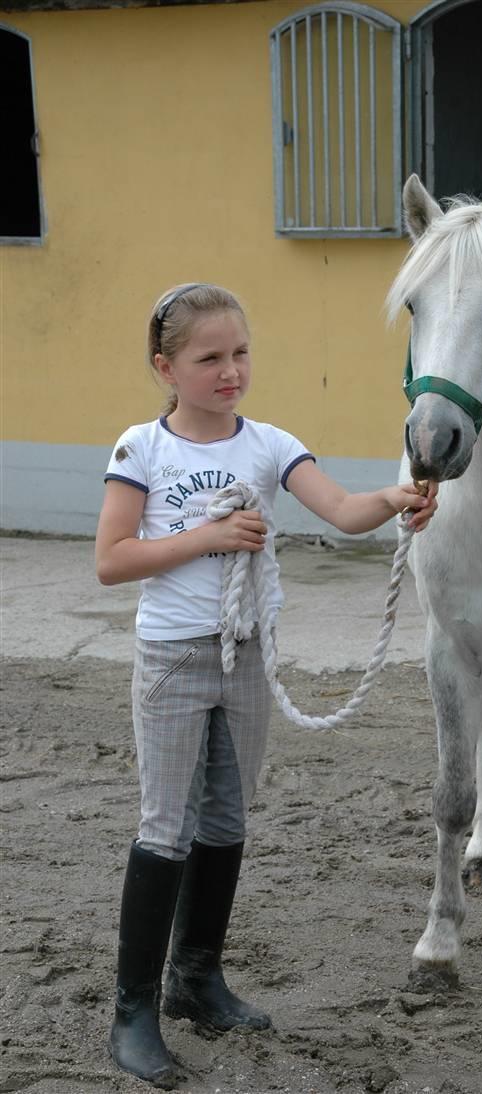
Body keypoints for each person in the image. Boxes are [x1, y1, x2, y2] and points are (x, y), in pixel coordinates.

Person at [94, 282, 437, 1088]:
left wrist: (395, 498)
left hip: (247, 655)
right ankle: (133, 1011)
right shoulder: (142, 448)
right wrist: (209, 536)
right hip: (175, 657)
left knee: (225, 816)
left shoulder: (270, 444)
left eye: (239, 353)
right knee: (164, 826)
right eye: (209, 358)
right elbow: (111, 560)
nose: (229, 371)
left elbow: (344, 508)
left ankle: (196, 980)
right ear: (166, 367)